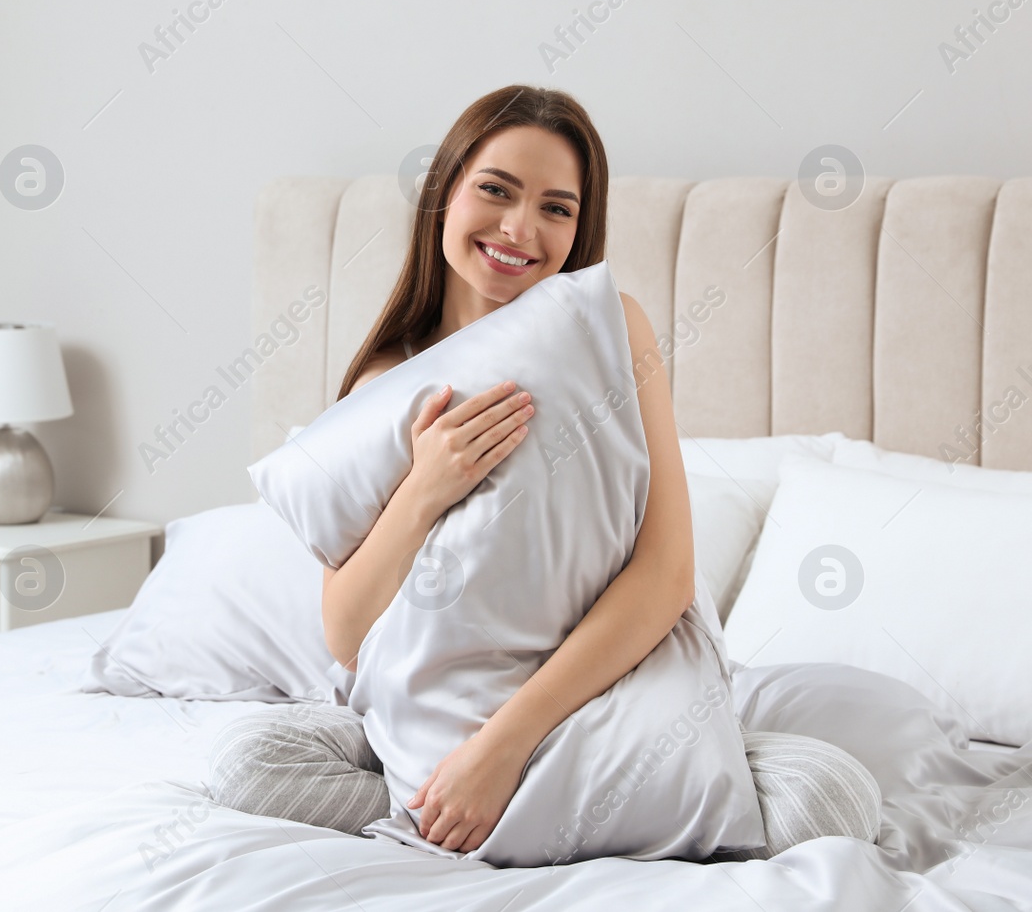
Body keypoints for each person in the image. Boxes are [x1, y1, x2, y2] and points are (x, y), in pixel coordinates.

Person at [210, 85, 881, 861]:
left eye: (557, 208)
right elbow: (349, 634)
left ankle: (488, 797)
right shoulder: (386, 387)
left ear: (580, 228)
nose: (519, 229)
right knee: (247, 766)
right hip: (436, 705)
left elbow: (665, 575)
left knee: (832, 799)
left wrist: (505, 747)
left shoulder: (612, 330)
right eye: (495, 190)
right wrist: (428, 482)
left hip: (605, 693)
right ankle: (453, 795)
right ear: (445, 196)